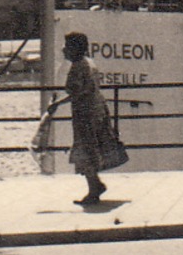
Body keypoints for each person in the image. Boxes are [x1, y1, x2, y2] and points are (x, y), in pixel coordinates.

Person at [37, 32, 125, 205]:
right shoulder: (89, 63)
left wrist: (56, 105)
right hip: (97, 111)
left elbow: (76, 92)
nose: (63, 49)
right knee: (89, 149)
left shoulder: (78, 66)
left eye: (67, 45)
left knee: (85, 150)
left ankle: (94, 189)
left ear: (74, 48)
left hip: (85, 114)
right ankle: (95, 184)